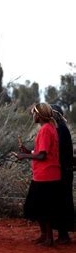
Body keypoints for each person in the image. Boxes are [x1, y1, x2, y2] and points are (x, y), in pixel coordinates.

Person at [16, 103, 62, 247]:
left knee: (43, 207)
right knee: (38, 206)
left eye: (34, 113)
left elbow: (42, 156)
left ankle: (48, 238)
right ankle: (44, 235)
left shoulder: (46, 130)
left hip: (46, 175)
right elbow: (42, 152)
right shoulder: (50, 128)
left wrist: (24, 156)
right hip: (46, 174)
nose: (33, 116)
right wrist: (29, 151)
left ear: (39, 115)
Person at [50, 104, 74, 244]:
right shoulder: (59, 129)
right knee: (61, 201)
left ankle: (64, 235)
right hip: (62, 170)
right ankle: (62, 233)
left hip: (63, 172)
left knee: (63, 201)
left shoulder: (61, 130)